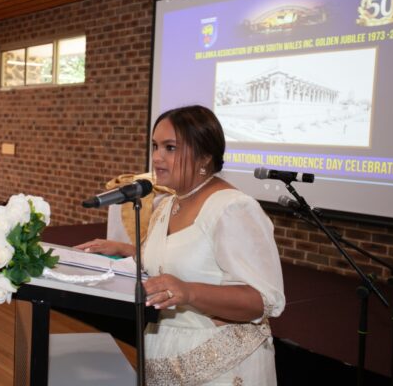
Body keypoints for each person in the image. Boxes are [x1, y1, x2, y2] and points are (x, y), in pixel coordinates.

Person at [78, 105, 285, 385]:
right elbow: (171, 261)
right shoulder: (167, 205)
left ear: (205, 156)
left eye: (170, 148)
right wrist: (123, 250)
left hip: (221, 366)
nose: (157, 157)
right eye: (155, 146)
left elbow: (261, 301)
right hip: (165, 352)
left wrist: (189, 292)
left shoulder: (233, 208)